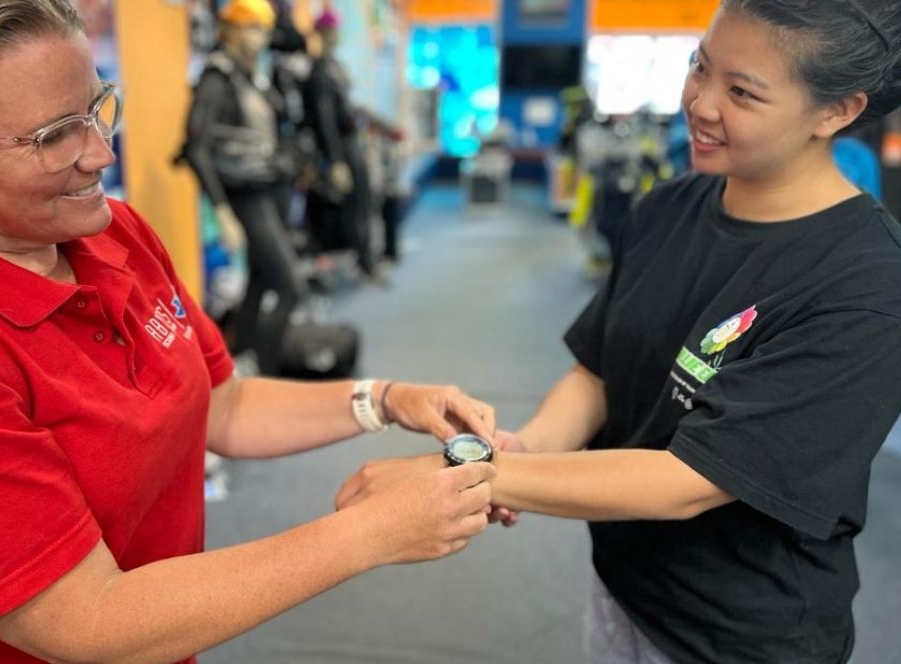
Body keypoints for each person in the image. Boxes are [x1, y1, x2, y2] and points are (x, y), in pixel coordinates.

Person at [0, 1, 499, 662]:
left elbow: (222, 404)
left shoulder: (112, 234)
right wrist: (369, 534)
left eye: (98, 106)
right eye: (54, 135)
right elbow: (87, 622)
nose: (101, 151)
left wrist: (383, 398)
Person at [337, 1, 901, 663]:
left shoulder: (863, 282)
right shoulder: (668, 206)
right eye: (700, 66)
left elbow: (686, 482)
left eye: (742, 92)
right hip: (624, 586)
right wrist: (523, 448)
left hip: (741, 635)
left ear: (836, 112)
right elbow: (599, 370)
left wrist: (472, 475)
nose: (700, 102)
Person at [177, 0, 304, 375]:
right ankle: (269, 374)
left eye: (263, 29)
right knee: (290, 285)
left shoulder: (251, 75)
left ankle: (238, 365)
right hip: (246, 196)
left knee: (261, 283)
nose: (259, 37)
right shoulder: (216, 79)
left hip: (270, 189)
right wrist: (221, 209)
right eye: (251, 27)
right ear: (229, 30)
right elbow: (196, 149)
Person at [301, 8, 379, 279]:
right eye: (331, 31)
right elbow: (324, 120)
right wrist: (335, 161)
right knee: (353, 207)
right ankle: (363, 260)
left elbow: (346, 108)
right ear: (322, 34)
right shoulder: (320, 71)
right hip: (341, 148)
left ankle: (365, 257)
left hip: (351, 142)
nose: (335, 36)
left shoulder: (334, 66)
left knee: (363, 202)